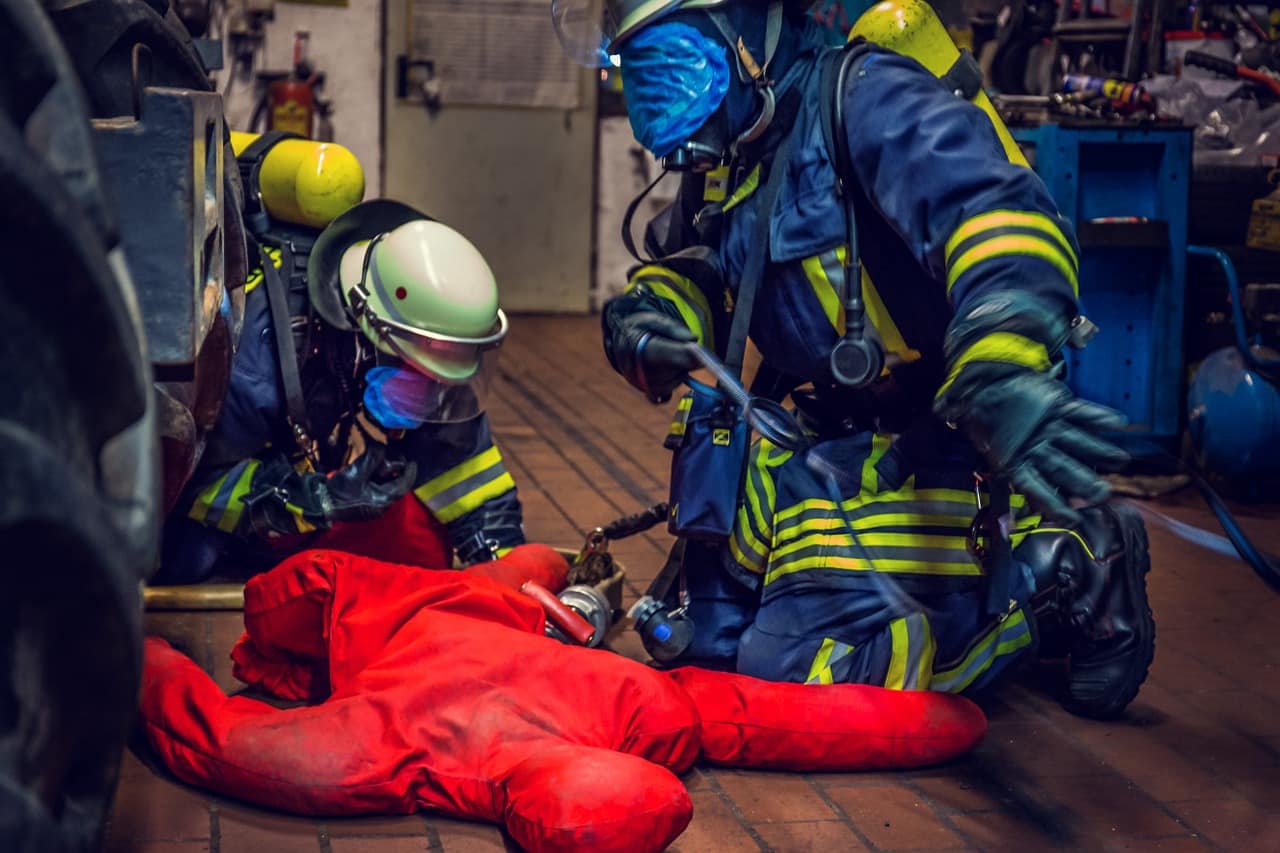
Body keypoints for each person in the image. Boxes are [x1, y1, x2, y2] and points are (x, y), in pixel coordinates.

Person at [552, 0, 1154, 718]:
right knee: (709, 640)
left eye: (675, 68)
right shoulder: (733, 150)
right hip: (830, 428)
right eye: (642, 80)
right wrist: (652, 312)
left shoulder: (867, 99)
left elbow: (1000, 214)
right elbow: (705, 270)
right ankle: (937, 583)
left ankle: (1063, 570)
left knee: (797, 664)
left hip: (947, 428)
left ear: (750, 35)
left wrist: (1001, 358)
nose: (663, 111)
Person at [158, 188, 526, 583]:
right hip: (193, 496)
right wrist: (314, 501)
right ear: (365, 335)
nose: (429, 392)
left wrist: (511, 571)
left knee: (419, 538)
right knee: (189, 558)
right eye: (418, 372)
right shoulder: (257, 367)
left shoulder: (413, 332)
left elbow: (468, 472)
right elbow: (194, 489)